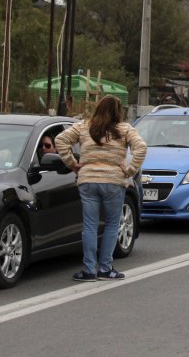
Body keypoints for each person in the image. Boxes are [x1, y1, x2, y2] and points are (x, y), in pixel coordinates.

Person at [55, 95, 147, 282]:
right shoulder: (124, 129)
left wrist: (73, 163)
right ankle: (105, 268)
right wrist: (129, 170)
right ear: (118, 111)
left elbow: (60, 140)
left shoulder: (84, 126)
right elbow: (141, 147)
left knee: (89, 225)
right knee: (112, 225)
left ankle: (89, 270)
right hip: (114, 181)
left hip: (88, 180)